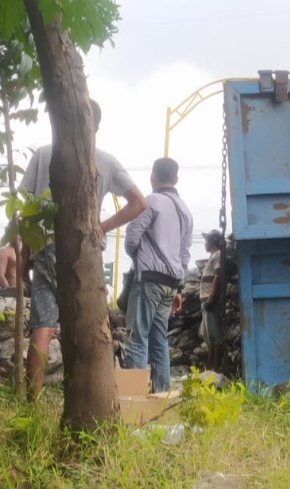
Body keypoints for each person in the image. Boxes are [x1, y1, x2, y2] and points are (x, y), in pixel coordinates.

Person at [21, 99, 147, 402]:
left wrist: (25, 252)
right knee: (88, 325)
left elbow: (25, 210)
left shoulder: (42, 154)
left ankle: (31, 405)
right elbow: (139, 202)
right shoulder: (104, 160)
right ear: (97, 126)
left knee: (43, 325)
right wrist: (101, 227)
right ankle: (88, 399)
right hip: (84, 250)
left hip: (45, 245)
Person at [123, 157, 193, 393]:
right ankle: (161, 398)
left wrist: (139, 260)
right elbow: (184, 254)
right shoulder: (186, 211)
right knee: (159, 340)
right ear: (176, 179)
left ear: (153, 176)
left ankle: (134, 401)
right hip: (171, 285)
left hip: (149, 281)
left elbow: (132, 238)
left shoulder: (150, 201)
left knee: (136, 338)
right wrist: (180, 289)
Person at [199, 229, 225, 372]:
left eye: (207, 241)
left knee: (215, 335)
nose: (205, 244)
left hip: (209, 300)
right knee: (209, 336)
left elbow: (217, 276)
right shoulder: (213, 256)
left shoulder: (218, 255)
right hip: (205, 300)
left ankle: (214, 368)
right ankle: (210, 368)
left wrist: (211, 296)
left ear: (212, 242)